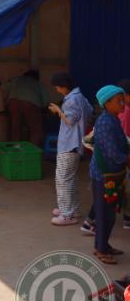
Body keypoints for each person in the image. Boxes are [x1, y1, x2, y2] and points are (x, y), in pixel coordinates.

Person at [88, 85, 129, 264]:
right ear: (107, 103)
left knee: (110, 212)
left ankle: (103, 244)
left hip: (112, 174)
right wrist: (127, 158)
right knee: (105, 213)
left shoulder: (113, 119)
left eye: (123, 100)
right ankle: (101, 249)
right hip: (104, 175)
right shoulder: (105, 122)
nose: (123, 104)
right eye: (119, 101)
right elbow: (113, 152)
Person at [48, 72, 90, 226]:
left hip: (69, 144)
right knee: (70, 178)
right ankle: (71, 209)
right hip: (75, 143)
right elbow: (89, 111)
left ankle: (67, 215)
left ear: (64, 86)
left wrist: (58, 111)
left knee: (63, 179)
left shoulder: (71, 100)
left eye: (58, 87)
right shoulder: (80, 97)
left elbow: (70, 120)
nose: (57, 90)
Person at [4, 70, 48, 146]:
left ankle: (15, 149)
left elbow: (3, 88)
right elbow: (45, 101)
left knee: (15, 127)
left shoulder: (16, 79)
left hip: (13, 101)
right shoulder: (37, 83)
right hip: (30, 102)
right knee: (35, 129)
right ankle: (32, 150)